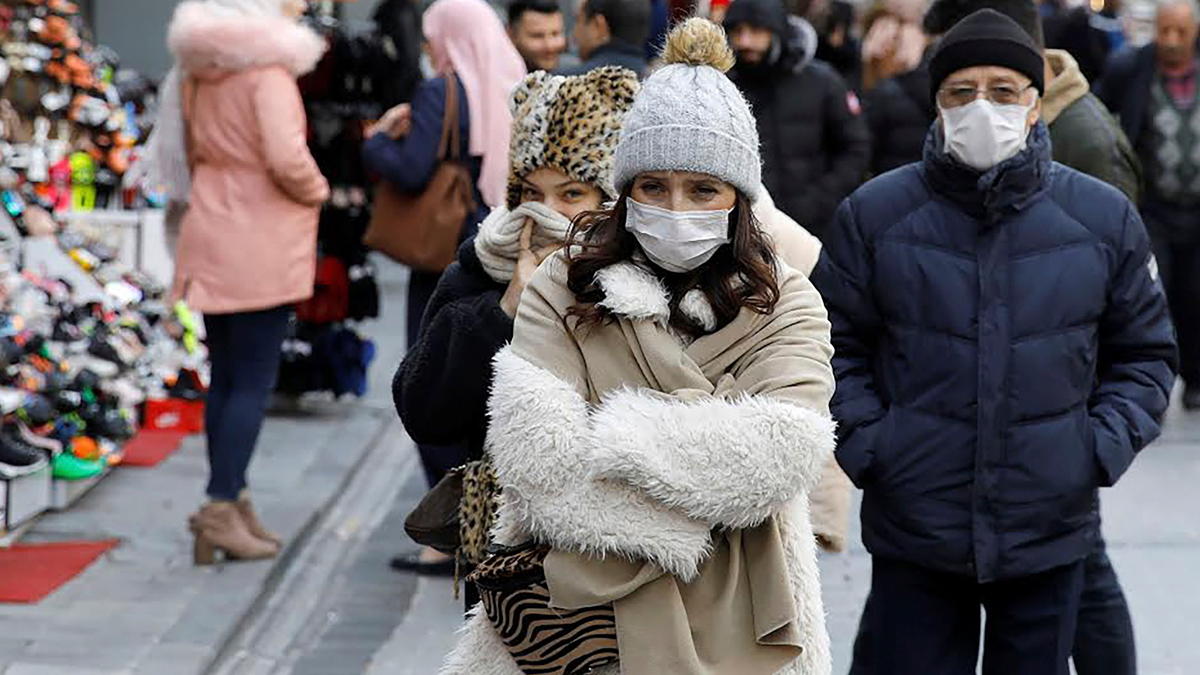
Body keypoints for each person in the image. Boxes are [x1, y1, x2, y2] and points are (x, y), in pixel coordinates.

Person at [440, 18, 836, 675]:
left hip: (745, 619)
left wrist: (610, 436)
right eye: (653, 186)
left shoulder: (786, 300)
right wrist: (706, 476)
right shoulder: (562, 285)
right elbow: (539, 468)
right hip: (578, 628)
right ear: (626, 191)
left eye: (702, 189)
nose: (676, 207)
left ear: (738, 198)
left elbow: (778, 456)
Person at [813, 9, 1177, 674]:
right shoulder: (876, 215)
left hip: (1046, 527)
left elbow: (1146, 354)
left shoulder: (1100, 218)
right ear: (938, 104)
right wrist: (874, 445)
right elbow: (829, 346)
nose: (982, 106)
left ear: (1035, 104)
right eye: (962, 91)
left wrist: (1094, 448)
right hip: (916, 527)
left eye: (1004, 90)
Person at [391, 66, 640, 575]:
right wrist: (503, 311)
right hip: (506, 552)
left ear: (608, 200)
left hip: (618, 548)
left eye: (571, 194)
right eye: (531, 193)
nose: (546, 213)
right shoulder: (481, 269)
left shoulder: (641, 280)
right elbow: (423, 411)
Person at [162, 0, 331, 563]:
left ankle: (231, 501)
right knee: (253, 380)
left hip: (211, 223)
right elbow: (286, 157)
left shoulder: (199, 70)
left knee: (227, 375)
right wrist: (319, 189)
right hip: (260, 234)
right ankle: (219, 505)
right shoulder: (268, 73)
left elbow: (186, 148)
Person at [362, 0, 525, 574]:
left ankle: (447, 533)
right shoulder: (511, 82)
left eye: (435, 37)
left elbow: (410, 170)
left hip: (444, 252)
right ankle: (480, 520)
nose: (430, 47)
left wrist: (377, 140)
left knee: (430, 377)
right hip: (497, 241)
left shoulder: (441, 91)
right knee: (480, 384)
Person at [1097, 0, 1200, 409]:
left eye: (1180, 32)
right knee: (1156, 294)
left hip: (1198, 209)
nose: (1171, 40)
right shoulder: (1131, 67)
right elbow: (1099, 113)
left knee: (1196, 294)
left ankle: (1196, 378)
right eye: (1164, 30)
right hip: (1153, 206)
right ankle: (1154, 380)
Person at [724, 0, 871, 242]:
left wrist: (819, 200)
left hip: (815, 229)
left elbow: (855, 147)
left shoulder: (822, 81)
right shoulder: (724, 87)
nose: (745, 41)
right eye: (737, 31)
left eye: (756, 30)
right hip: (747, 232)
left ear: (777, 31)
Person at [560, 0, 651, 77]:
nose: (575, 33)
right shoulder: (652, 81)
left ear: (598, 25)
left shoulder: (567, 84)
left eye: (578, 20)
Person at [507, 0, 568, 72]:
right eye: (537, 36)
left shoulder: (573, 72)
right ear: (511, 36)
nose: (550, 46)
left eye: (555, 34)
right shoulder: (498, 75)